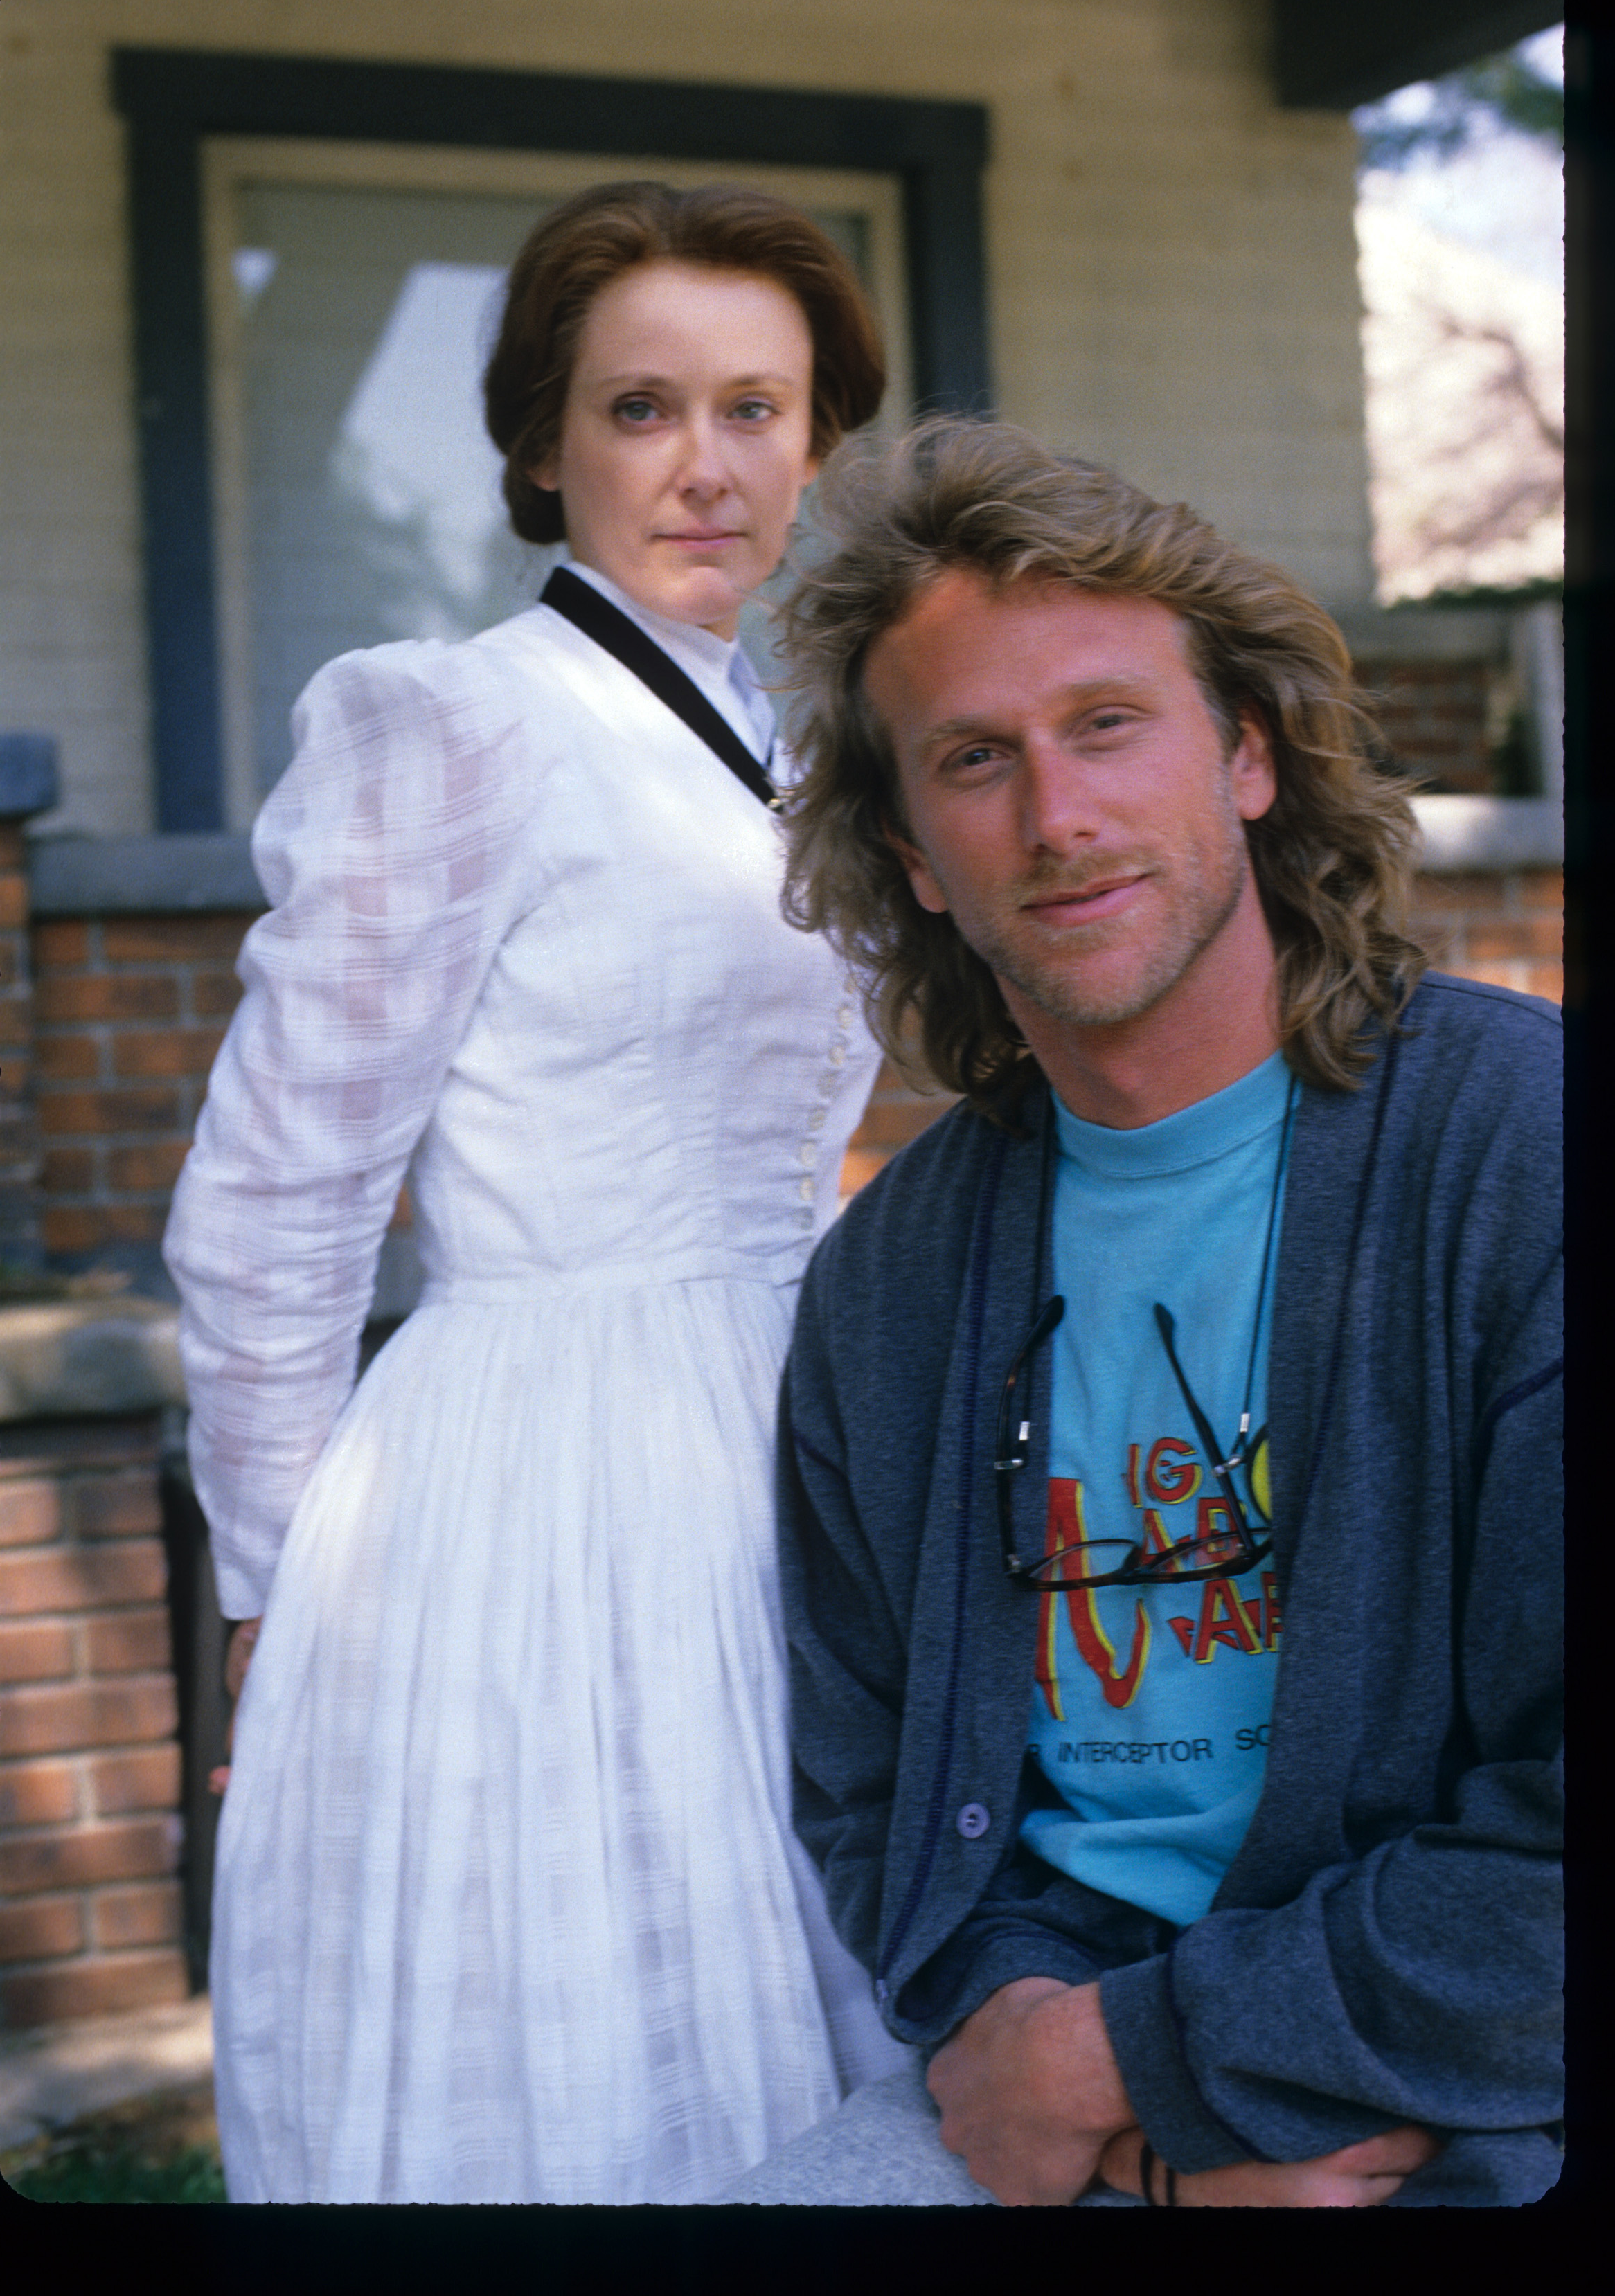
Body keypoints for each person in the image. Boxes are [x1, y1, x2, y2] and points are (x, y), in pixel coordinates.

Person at [712, 418, 1562, 2208]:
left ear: (1244, 756)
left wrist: (1169, 2064)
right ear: (916, 856)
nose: (1057, 817)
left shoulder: (1517, 1154)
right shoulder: (889, 1288)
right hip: (1050, 2091)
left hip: (1467, 2088)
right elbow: (879, 1808)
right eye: (972, 759)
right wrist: (1068, 2072)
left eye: (1105, 724)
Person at [163, 181, 912, 2205]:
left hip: (781, 1414)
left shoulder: (788, 736)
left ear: (815, 442)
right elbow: (277, 1195)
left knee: (810, 1991)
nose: (705, 464)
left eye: (755, 409)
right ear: (540, 444)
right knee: (582, 2012)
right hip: (541, 1464)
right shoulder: (461, 719)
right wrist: (272, 1588)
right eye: (642, 406)